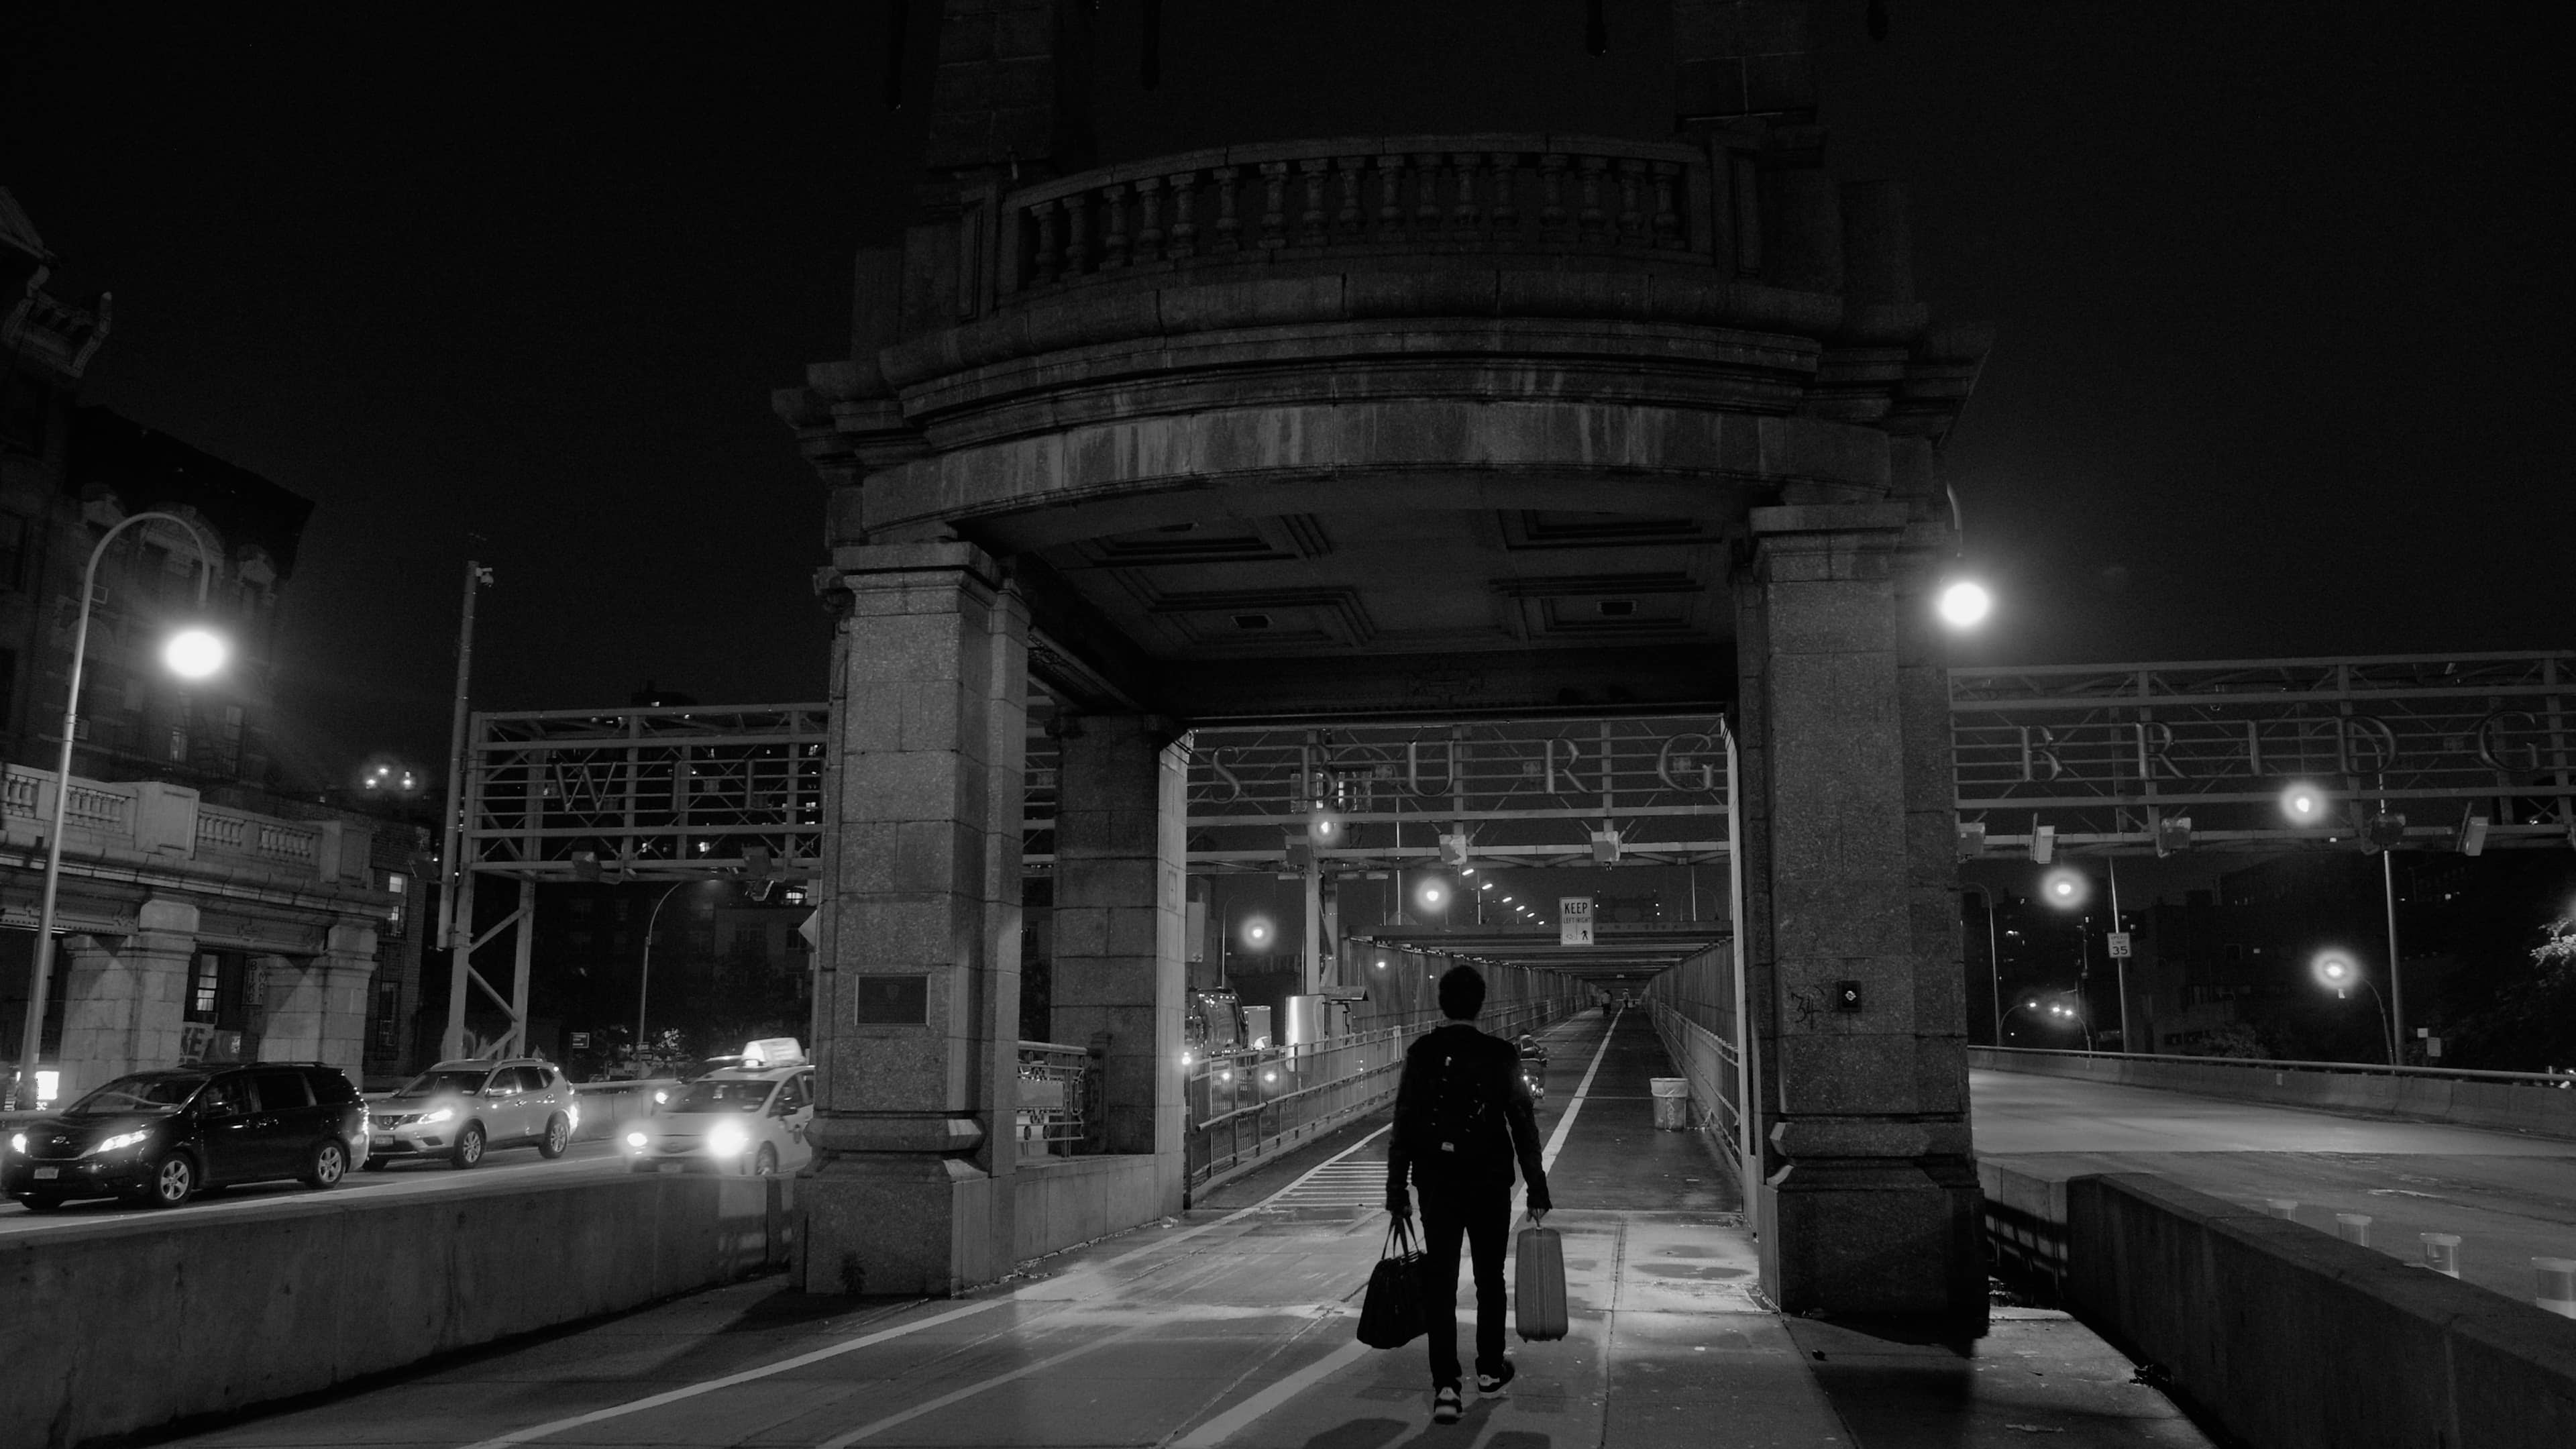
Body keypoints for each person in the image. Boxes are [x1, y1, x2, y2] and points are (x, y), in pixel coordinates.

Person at [1385, 965, 1552, 1425]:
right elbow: (1522, 1122)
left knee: (1440, 1281)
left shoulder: (1422, 1052)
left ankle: (1446, 1386)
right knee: (1489, 1278)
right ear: (1480, 1004)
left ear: (1442, 1003)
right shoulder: (1500, 1054)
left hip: (1437, 1181)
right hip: (1489, 1180)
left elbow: (1404, 1123)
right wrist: (1537, 1187)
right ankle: (1490, 1370)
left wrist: (1397, 1190)